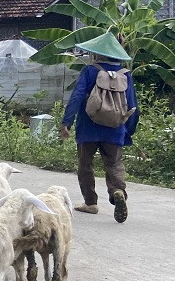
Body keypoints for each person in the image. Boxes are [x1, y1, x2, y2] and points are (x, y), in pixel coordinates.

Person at [59, 31, 138, 224]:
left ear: (97, 53)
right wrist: (128, 130)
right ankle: (117, 191)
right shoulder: (125, 75)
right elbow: (133, 106)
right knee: (113, 163)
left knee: (85, 165)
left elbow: (77, 97)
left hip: (88, 127)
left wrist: (66, 122)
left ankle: (91, 202)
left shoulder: (90, 71)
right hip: (115, 128)